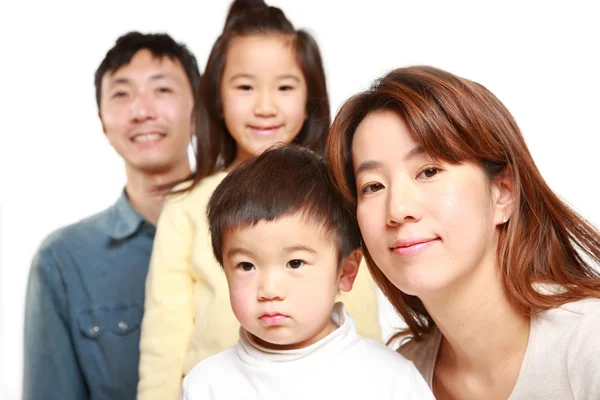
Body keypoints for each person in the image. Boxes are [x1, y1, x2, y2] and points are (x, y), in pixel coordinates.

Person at [137, 1, 381, 399]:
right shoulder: (186, 207)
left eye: (284, 87)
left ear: (309, 96)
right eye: (245, 87)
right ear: (217, 96)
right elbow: (162, 347)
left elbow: (364, 324)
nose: (265, 107)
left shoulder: (338, 193)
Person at [325, 65, 600, 399]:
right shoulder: (398, 378)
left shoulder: (589, 345)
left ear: (503, 193)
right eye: (373, 186)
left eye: (428, 171)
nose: (397, 210)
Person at [23, 32, 200, 400]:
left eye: (162, 90)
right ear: (103, 122)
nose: (142, 110)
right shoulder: (63, 260)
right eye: (121, 94)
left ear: (199, 112)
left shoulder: (246, 232)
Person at [179, 145, 434, 400]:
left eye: (295, 263)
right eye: (247, 266)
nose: (269, 290)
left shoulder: (389, 379)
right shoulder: (205, 384)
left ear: (346, 270)